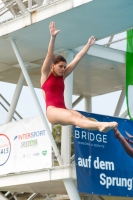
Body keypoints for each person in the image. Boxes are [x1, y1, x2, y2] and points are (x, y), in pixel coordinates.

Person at [41, 21, 118, 133]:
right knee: (74, 118)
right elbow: (49, 55)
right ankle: (100, 125)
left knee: (81, 118)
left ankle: (100, 127)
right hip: (52, 111)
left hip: (63, 109)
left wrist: (88, 45)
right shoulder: (45, 75)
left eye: (64, 67)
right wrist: (53, 37)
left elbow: (77, 58)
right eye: (60, 66)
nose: (63, 69)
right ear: (52, 65)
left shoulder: (62, 76)